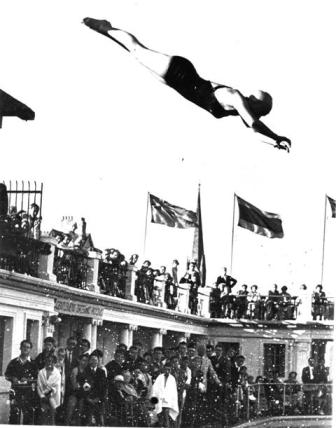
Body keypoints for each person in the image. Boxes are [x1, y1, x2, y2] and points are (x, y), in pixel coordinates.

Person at [83, 18, 291, 152]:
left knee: (135, 54)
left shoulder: (240, 109)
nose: (258, 114)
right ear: (256, 106)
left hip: (177, 83)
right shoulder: (235, 97)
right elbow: (255, 125)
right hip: (179, 72)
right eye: (258, 108)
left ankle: (106, 29)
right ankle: (104, 26)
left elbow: (253, 132)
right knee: (136, 50)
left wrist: (274, 142)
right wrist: (276, 136)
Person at [5, 340, 38, 425]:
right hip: (15, 391)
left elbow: (37, 378)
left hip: (28, 392)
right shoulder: (14, 362)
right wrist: (13, 378)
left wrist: (28, 379)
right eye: (24, 346)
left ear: (30, 349)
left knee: (28, 415)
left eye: (28, 347)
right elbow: (6, 375)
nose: (25, 349)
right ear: (20, 348)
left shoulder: (33, 363)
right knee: (14, 415)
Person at [152, 362, 179, 427]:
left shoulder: (172, 378)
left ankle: (167, 426)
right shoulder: (159, 377)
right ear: (163, 369)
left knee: (166, 416)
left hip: (168, 401)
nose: (167, 371)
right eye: (166, 369)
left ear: (170, 370)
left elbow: (173, 392)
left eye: (168, 370)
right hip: (160, 399)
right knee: (160, 417)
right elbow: (155, 388)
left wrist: (171, 400)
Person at [37, 354, 62, 425]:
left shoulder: (57, 373)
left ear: (54, 362)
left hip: (53, 397)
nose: (49, 363)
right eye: (47, 361)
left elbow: (56, 387)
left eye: (51, 361)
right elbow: (39, 386)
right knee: (43, 415)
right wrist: (42, 396)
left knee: (52, 415)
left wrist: (49, 395)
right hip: (43, 397)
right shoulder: (41, 372)